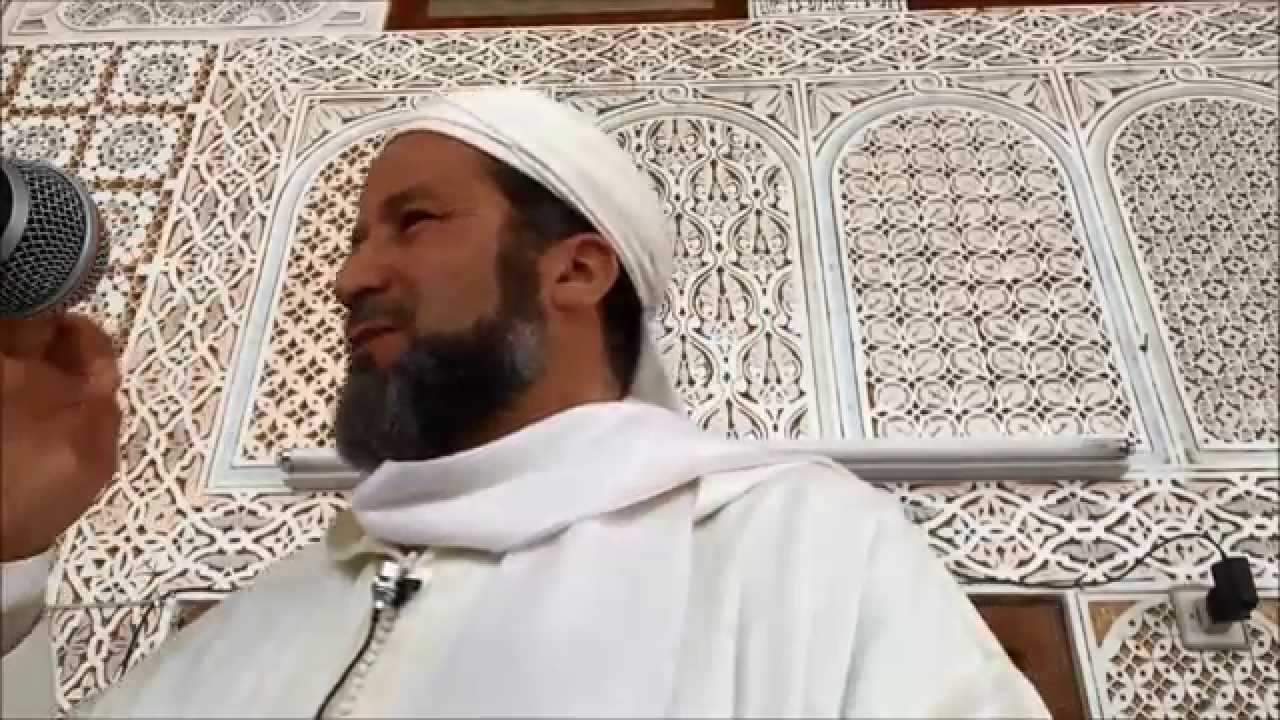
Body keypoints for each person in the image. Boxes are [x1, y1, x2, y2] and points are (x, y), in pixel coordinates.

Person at [0, 89, 1049, 718]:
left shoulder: (790, 547)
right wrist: (12, 555)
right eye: (357, 238)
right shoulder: (284, 600)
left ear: (576, 270)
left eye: (413, 222)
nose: (350, 277)